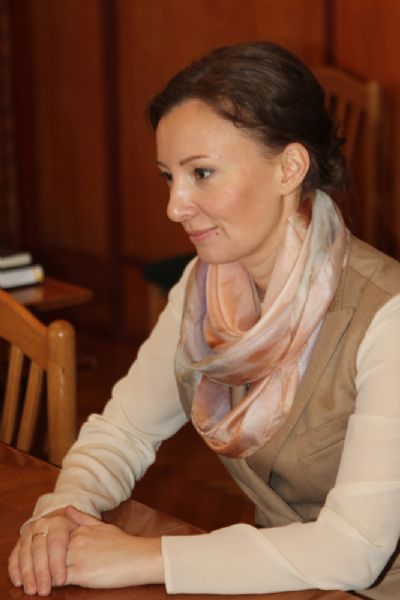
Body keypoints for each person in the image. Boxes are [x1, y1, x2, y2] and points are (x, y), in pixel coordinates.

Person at [8, 41, 400, 599]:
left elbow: (352, 549)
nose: (175, 206)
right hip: (283, 582)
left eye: (203, 173)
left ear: (289, 167)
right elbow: (125, 430)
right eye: (169, 176)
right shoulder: (204, 285)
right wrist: (61, 511)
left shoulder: (388, 315)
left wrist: (145, 556)